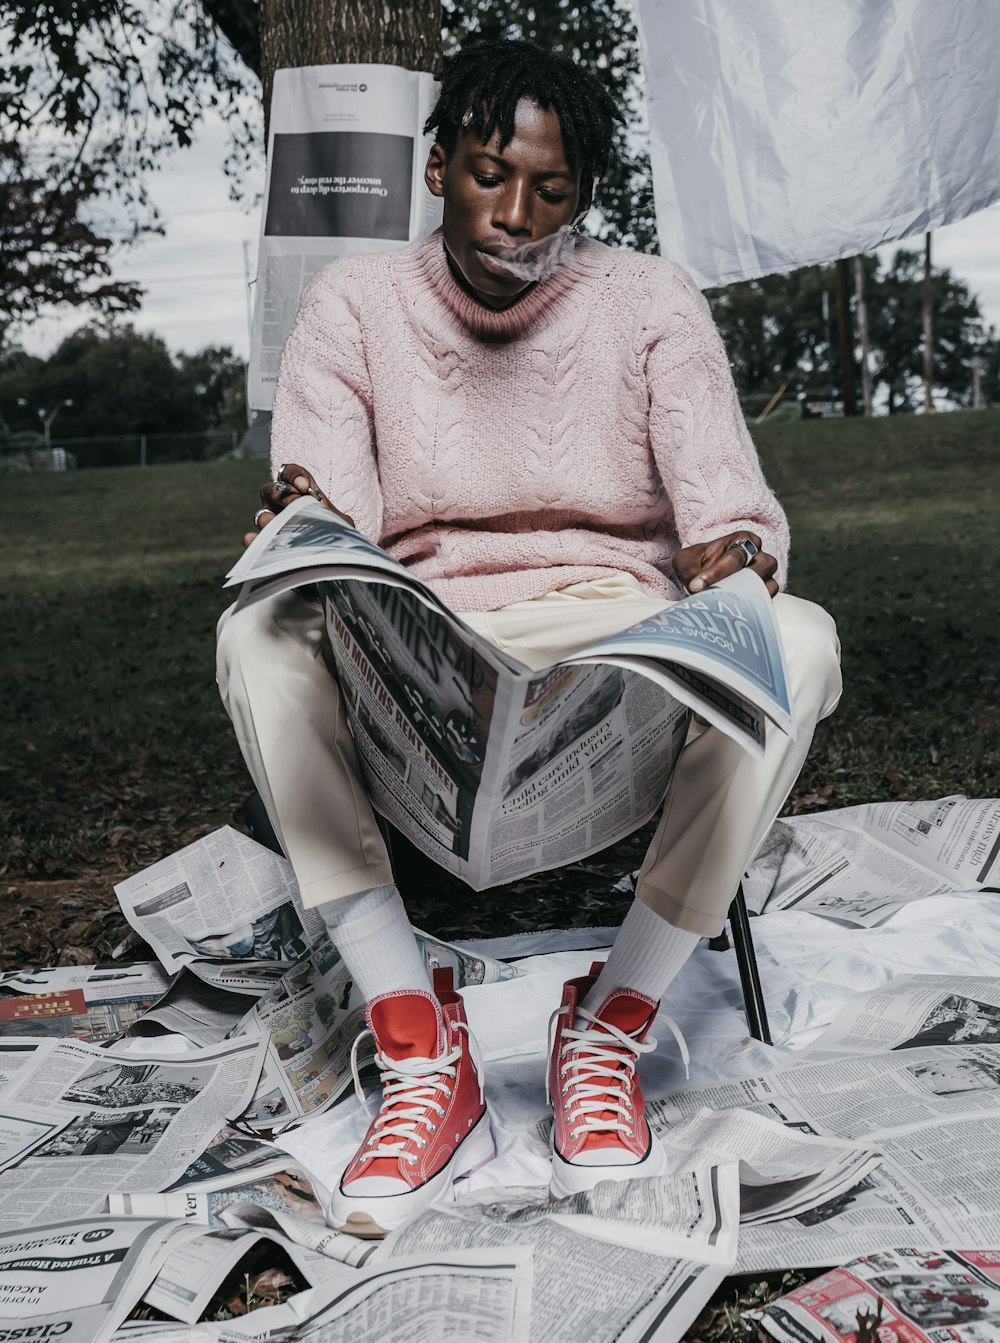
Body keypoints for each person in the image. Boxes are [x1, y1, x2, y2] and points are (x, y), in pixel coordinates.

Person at [217, 38, 841, 1236]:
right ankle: (418, 1044)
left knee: (796, 641)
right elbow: (327, 516)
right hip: (419, 651)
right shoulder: (353, 305)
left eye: (551, 192)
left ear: (586, 196)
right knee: (260, 628)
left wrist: (737, 556)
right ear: (437, 164)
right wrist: (302, 520)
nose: (513, 217)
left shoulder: (649, 299)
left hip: (614, 650)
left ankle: (607, 1028)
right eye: (489, 176)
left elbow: (728, 508)